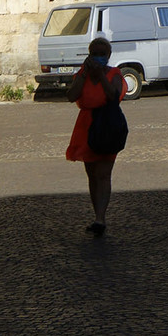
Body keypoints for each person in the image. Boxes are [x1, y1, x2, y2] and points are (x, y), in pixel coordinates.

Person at [65, 35, 126, 234]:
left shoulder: (114, 74)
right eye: (94, 53)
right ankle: (97, 215)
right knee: (92, 174)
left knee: (104, 173)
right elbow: (71, 96)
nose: (98, 57)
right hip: (86, 125)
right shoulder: (82, 75)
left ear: (109, 55)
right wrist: (84, 74)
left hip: (107, 123)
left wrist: (100, 76)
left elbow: (113, 96)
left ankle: (101, 218)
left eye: (102, 54)